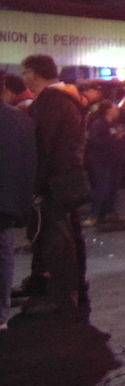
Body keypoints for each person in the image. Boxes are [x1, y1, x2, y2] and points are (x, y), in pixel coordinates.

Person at [20, 54, 90, 316]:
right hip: (68, 178)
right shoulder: (66, 98)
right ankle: (72, 289)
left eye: (26, 72)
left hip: (55, 181)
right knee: (70, 235)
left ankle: (61, 296)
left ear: (35, 74)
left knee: (57, 239)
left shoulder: (51, 102)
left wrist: (35, 185)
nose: (24, 77)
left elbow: (42, 147)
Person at [0, 99, 36, 330]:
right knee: (4, 253)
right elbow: (29, 163)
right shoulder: (20, 119)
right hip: (8, 201)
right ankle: (1, 312)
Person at [83, 100, 125, 228]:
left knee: (113, 187)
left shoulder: (114, 124)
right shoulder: (99, 124)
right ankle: (94, 215)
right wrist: (113, 138)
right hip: (101, 161)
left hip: (114, 160)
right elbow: (95, 142)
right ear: (108, 110)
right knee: (101, 187)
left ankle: (111, 212)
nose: (117, 110)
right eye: (115, 108)